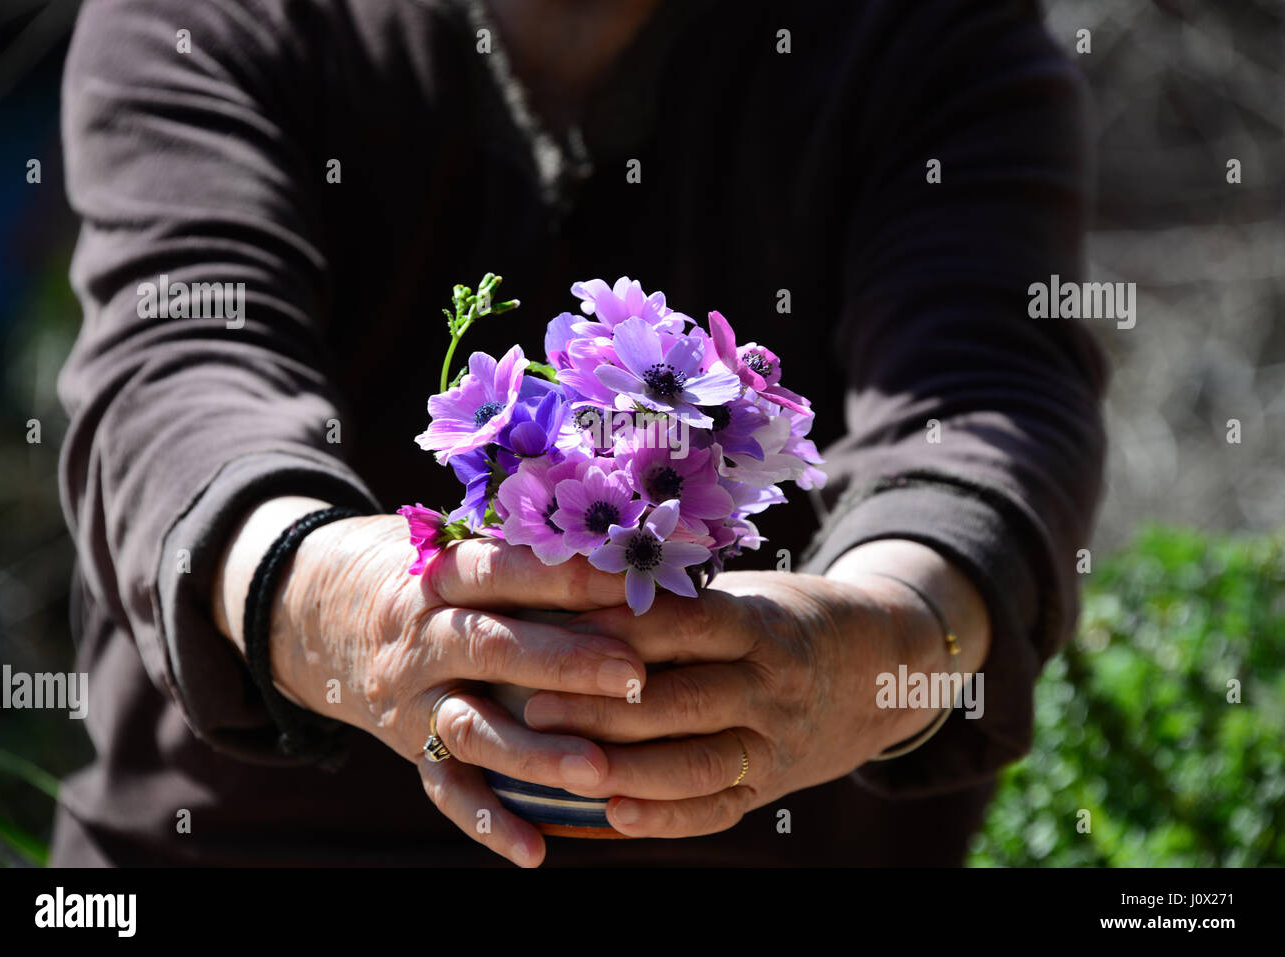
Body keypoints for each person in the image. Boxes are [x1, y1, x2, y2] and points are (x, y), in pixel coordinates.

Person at [54, 0, 1107, 866]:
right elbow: (178, 365)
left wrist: (879, 643)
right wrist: (337, 599)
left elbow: (983, 405)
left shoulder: (935, 37)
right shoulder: (208, 18)